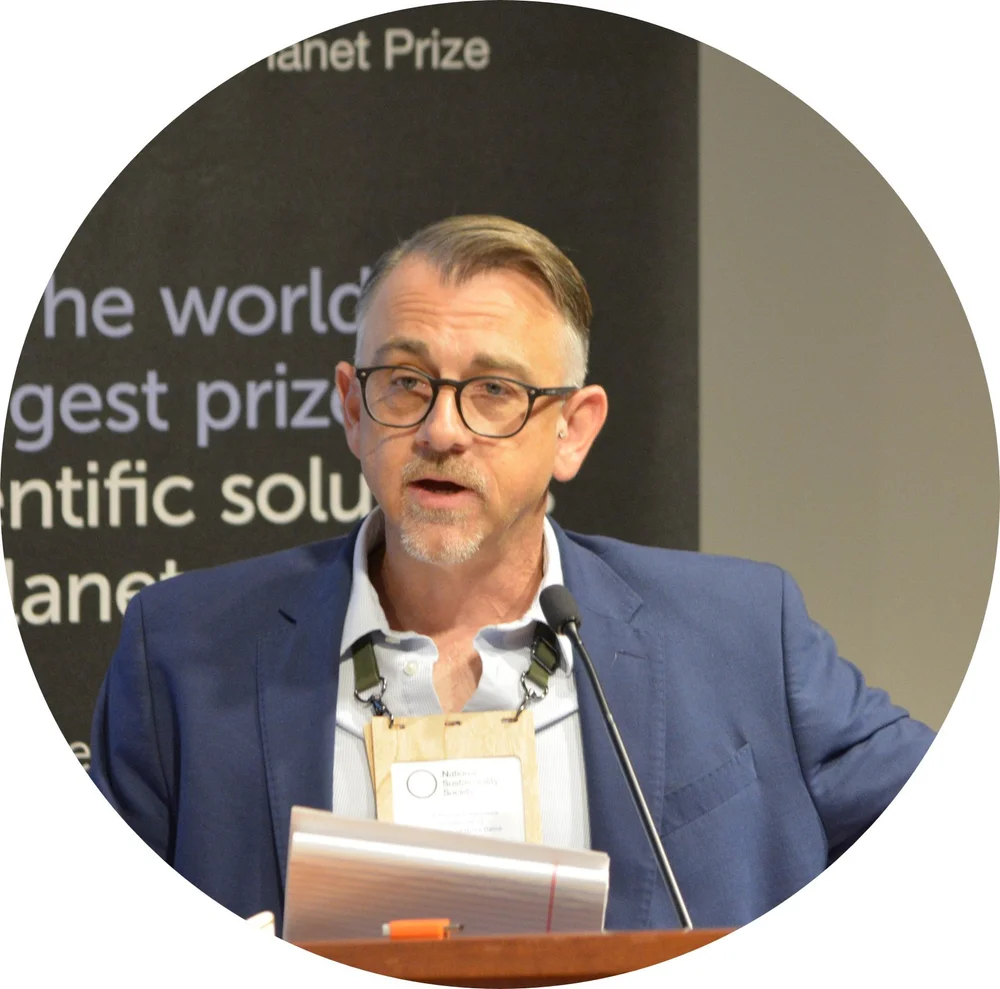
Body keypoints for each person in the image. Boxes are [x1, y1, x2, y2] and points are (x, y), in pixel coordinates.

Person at [90, 215, 934, 935]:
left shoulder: (744, 634)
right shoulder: (183, 656)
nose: (442, 430)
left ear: (573, 429)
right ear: (352, 408)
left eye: (493, 389)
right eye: (405, 382)